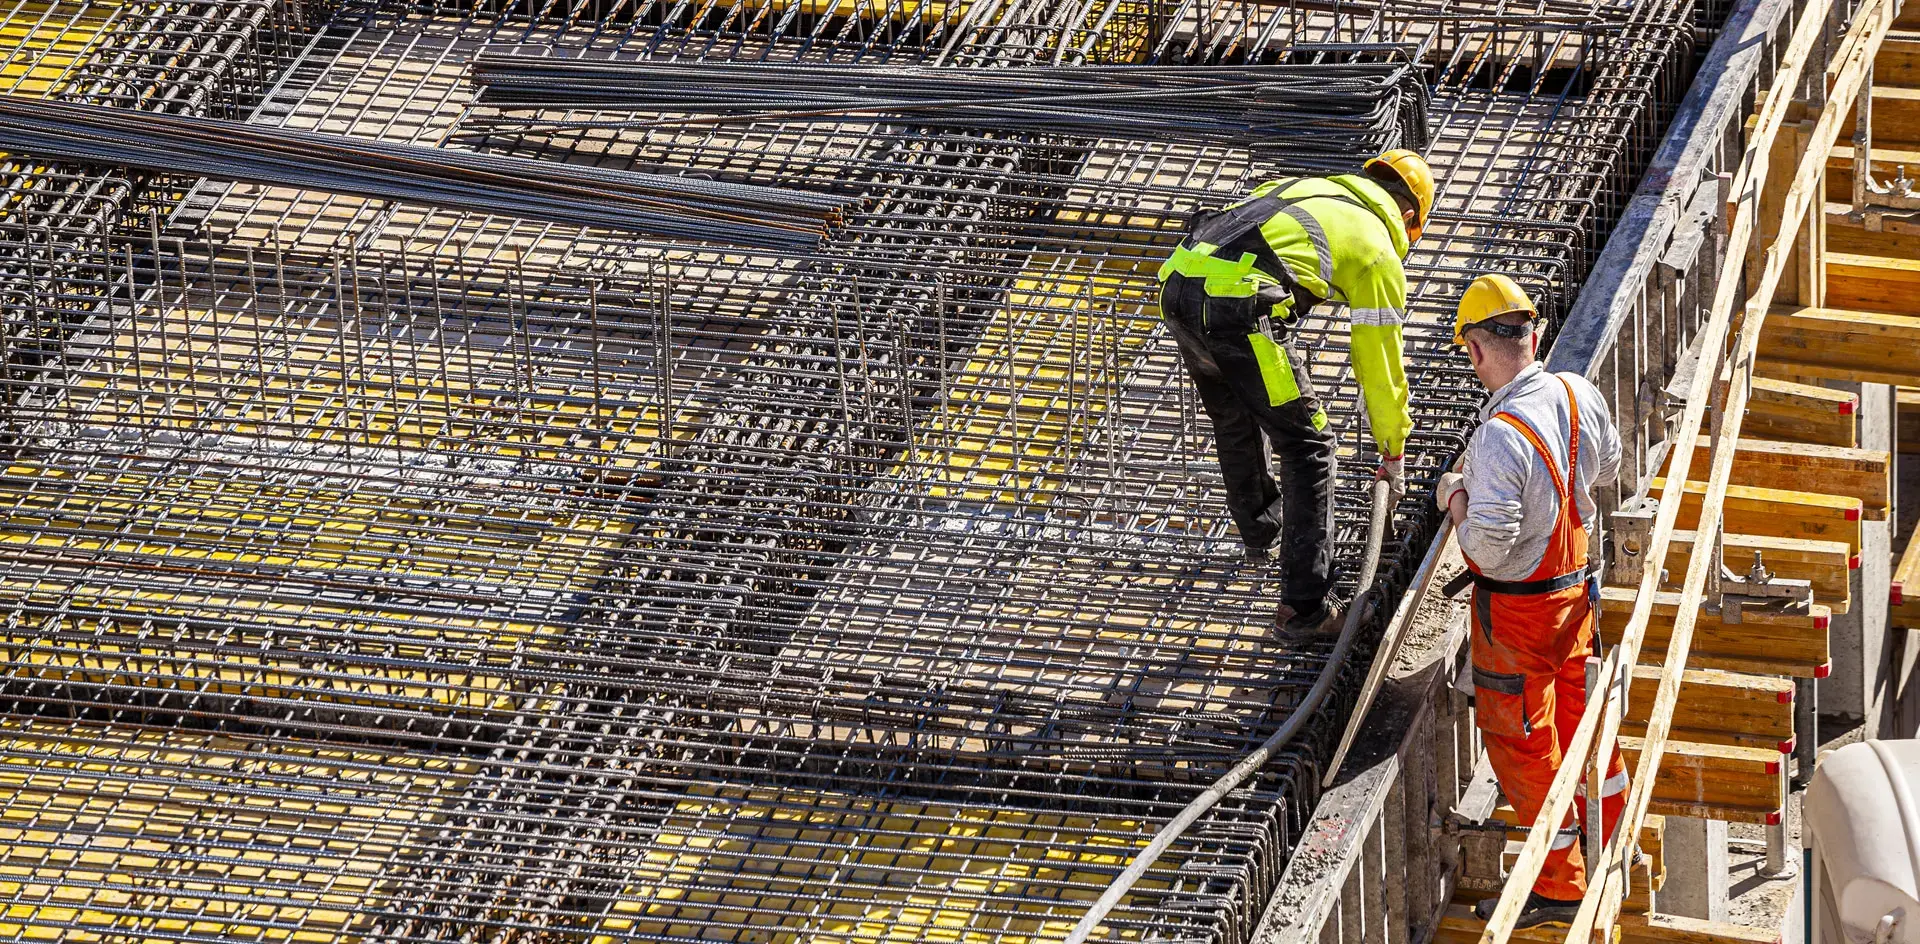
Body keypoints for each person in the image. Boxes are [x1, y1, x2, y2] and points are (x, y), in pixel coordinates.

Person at [1155, 149, 1433, 638]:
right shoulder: (1378, 250)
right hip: (1239, 310)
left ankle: (1263, 530)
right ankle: (1305, 610)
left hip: (1178, 287)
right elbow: (1378, 362)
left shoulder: (1304, 189)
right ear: (1408, 216)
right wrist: (1393, 446)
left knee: (1236, 414)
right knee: (1310, 447)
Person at [1437, 273, 1630, 929]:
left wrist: (1455, 497)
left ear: (1473, 350)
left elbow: (1486, 549)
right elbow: (1606, 466)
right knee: (1582, 719)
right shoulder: (1576, 392)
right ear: (1535, 334)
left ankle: (1563, 884)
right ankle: (1612, 839)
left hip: (1519, 613)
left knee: (1521, 744)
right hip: (1574, 595)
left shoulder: (1498, 436)